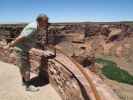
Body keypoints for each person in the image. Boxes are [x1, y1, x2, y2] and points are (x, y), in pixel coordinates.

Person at [4, 14, 50, 92]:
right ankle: (28, 86)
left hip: (23, 49)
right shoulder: (33, 28)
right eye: (46, 21)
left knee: (23, 67)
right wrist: (10, 45)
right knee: (26, 68)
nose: (47, 23)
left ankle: (24, 82)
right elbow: (21, 37)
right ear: (41, 21)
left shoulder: (35, 25)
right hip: (21, 50)